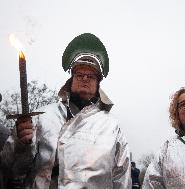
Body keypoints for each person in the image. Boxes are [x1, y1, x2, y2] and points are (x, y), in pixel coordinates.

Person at [0, 33, 132, 188]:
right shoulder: (42, 118)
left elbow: (122, 179)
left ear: (98, 83)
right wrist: (19, 143)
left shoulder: (112, 127)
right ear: (71, 79)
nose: (84, 79)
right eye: (79, 74)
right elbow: (11, 171)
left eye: (90, 76)